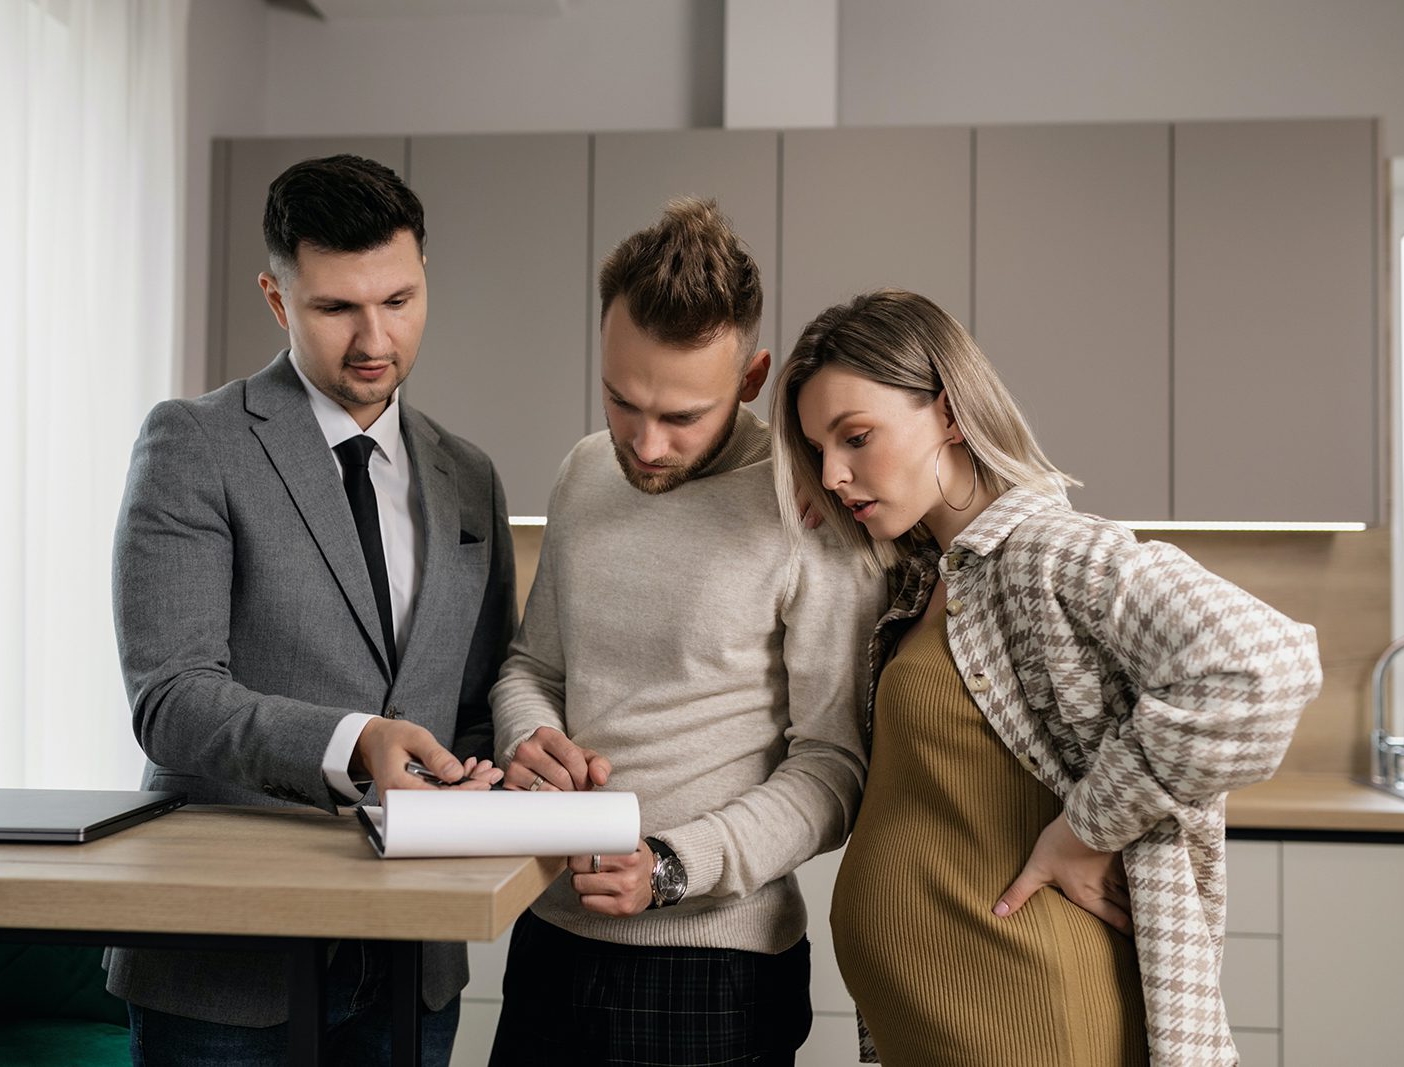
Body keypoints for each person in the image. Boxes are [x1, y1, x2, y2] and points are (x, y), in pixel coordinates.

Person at [771, 289, 1323, 1067]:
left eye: (856, 437)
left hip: (1029, 1016)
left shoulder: (1045, 552)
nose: (833, 473)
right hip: (945, 1025)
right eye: (816, 449)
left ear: (951, 411)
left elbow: (1260, 666)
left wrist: (1087, 827)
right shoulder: (930, 580)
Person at [108, 154, 515, 1066]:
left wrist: (499, 767)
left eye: (400, 300)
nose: (375, 338)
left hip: (412, 962)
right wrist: (355, 740)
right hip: (224, 964)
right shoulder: (193, 443)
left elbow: (479, 697)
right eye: (337, 308)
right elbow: (170, 698)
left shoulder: (470, 477)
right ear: (276, 297)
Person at [486, 198, 884, 1066]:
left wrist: (673, 864)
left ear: (752, 378)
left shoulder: (809, 509)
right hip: (548, 933)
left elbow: (834, 767)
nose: (647, 444)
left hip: (716, 972)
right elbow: (531, 667)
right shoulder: (585, 470)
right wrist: (533, 735)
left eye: (682, 417)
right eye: (622, 401)